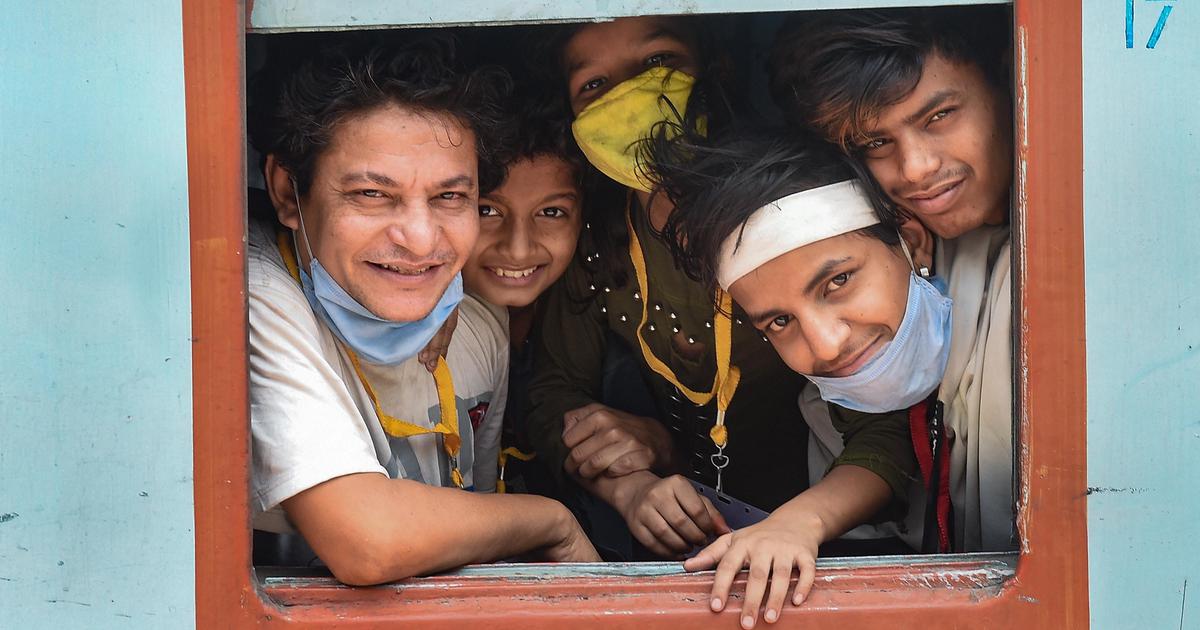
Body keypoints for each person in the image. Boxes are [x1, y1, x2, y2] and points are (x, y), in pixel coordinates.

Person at [524, 15, 915, 562]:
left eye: (657, 62)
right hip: (688, 537)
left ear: (715, 68)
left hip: (831, 537)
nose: (631, 96)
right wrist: (630, 486)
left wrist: (799, 524)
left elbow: (886, 427)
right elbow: (549, 393)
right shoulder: (599, 236)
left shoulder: (785, 211)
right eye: (595, 84)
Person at [245, 39, 599, 586]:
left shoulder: (479, 316)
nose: (419, 239)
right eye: (371, 194)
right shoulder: (251, 292)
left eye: (449, 197)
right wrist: (553, 522)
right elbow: (368, 542)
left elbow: (478, 525)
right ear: (288, 193)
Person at [648, 127, 941, 629]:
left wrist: (801, 520)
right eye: (780, 322)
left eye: (838, 281)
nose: (825, 344)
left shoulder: (1011, 326)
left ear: (910, 242)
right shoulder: (826, 394)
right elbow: (883, 436)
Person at [769, 6, 1016, 553]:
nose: (916, 168)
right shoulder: (901, 251)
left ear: (1008, 80)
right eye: (876, 145)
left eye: (939, 116)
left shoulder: (1080, 252)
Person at [459, 88, 589, 495]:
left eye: (551, 212)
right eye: (486, 210)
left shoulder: (597, 320)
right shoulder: (411, 329)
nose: (518, 249)